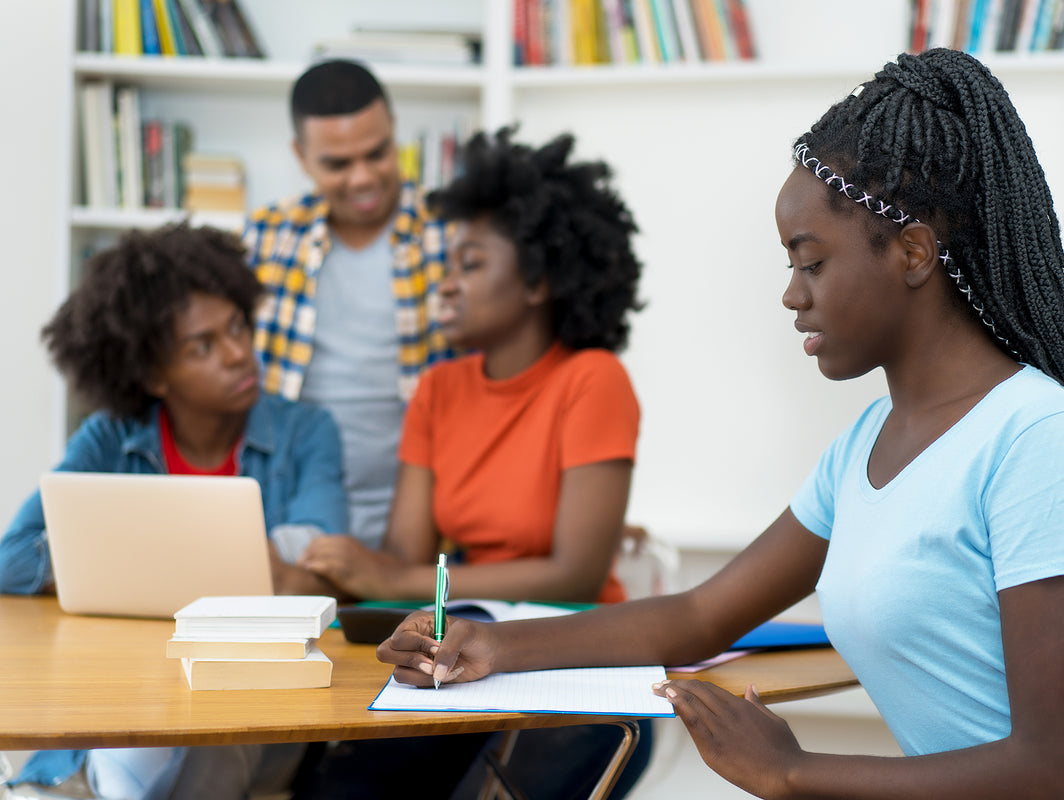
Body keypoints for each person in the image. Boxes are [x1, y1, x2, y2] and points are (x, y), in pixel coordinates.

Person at [377, 49, 1064, 800]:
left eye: (811, 262)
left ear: (913, 254)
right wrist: (486, 648)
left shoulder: (1036, 435)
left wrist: (790, 770)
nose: (791, 293)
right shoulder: (865, 450)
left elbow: (1053, 771)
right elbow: (699, 617)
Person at [289, 127, 653, 800]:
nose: (446, 285)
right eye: (447, 265)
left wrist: (402, 576)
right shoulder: (439, 389)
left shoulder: (592, 381)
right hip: (461, 657)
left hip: (576, 663)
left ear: (540, 281)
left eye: (471, 264)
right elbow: (404, 556)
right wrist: (353, 572)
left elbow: (576, 572)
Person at [0, 223, 348, 800]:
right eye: (203, 346)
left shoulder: (305, 431)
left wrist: (120, 557)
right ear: (152, 374)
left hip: (248, 698)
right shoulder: (110, 438)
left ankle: (109, 774)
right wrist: (221, 562)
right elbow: (13, 558)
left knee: (210, 736)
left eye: (237, 327)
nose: (239, 353)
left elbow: (321, 554)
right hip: (122, 683)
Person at [243, 58, 453, 556]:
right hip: (293, 518)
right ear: (301, 155)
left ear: (395, 132)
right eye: (337, 164)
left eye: (377, 154)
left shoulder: (452, 231)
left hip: (428, 529)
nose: (361, 178)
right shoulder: (265, 237)